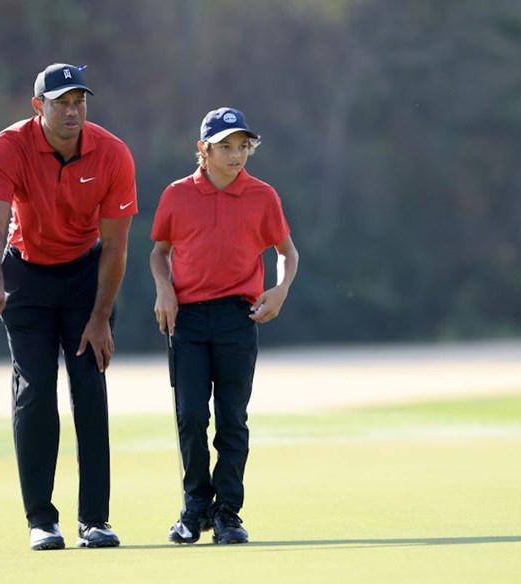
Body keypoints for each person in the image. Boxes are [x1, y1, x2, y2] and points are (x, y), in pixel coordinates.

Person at [0, 63, 137, 551]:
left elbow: (116, 247)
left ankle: (96, 520)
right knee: (36, 392)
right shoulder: (8, 147)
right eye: (61, 102)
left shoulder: (111, 153)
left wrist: (101, 317)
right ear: (37, 106)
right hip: (25, 276)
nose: (73, 111)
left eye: (79, 102)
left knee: (90, 386)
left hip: (87, 278)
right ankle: (41, 521)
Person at [150, 107, 298, 545]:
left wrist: (280, 289)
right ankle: (195, 507)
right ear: (204, 149)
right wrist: (164, 291)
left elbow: (287, 252)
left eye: (243, 147)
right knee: (192, 415)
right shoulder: (177, 195)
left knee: (232, 419)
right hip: (189, 318)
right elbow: (159, 252)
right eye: (227, 147)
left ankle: (228, 512)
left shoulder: (263, 195)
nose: (237, 156)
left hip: (238, 315)